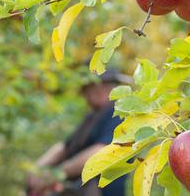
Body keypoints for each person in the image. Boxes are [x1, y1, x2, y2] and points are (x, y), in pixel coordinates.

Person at [27, 68, 131, 196]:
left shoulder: (118, 114)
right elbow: (64, 147)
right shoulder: (92, 117)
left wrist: (57, 174)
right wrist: (37, 168)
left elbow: (100, 152)